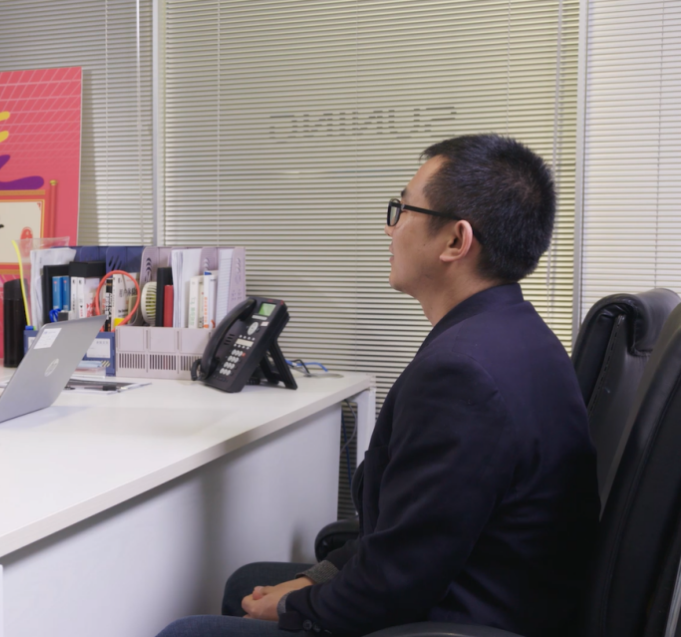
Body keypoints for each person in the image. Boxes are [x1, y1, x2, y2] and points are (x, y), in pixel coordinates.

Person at [156, 134, 599, 637]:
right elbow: (414, 534)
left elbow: (396, 584)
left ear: (456, 241)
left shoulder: (462, 375)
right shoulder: (517, 333)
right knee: (248, 581)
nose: (390, 228)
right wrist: (316, 579)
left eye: (403, 210)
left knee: (187, 632)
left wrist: (296, 605)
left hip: (453, 619)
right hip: (488, 592)